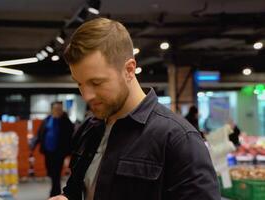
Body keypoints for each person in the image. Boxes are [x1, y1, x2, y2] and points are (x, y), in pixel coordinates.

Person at [49, 18, 220, 200]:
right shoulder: (88, 130)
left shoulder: (179, 140)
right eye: (80, 84)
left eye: (96, 82)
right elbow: (76, 189)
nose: (86, 95)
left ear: (129, 70)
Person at [31, 101, 74, 197]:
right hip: (47, 151)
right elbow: (40, 133)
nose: (58, 111)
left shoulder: (66, 121)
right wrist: (33, 145)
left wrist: (70, 151)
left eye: (60, 109)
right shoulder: (47, 120)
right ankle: (55, 190)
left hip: (59, 152)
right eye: (56, 109)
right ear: (52, 110)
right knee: (50, 171)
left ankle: (55, 192)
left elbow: (72, 136)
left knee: (56, 173)